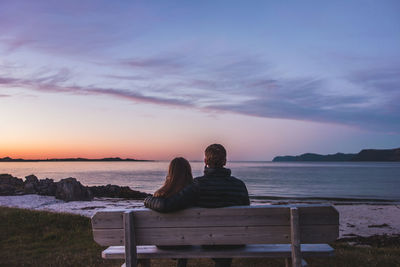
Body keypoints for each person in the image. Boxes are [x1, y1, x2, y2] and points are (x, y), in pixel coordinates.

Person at [144, 144, 250, 267]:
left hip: (209, 241)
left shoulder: (197, 185)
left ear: (205, 161)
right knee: (225, 237)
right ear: (225, 161)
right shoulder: (239, 185)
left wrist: (148, 200)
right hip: (236, 240)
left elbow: (167, 205)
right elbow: (246, 213)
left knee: (217, 237)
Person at [149, 157, 193, 267]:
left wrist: (148, 199)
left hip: (163, 243)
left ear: (170, 172)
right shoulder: (192, 194)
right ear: (188, 172)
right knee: (184, 236)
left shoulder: (159, 195)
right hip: (186, 243)